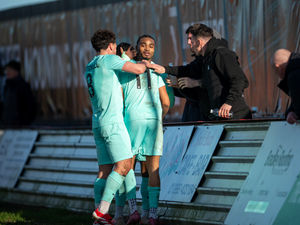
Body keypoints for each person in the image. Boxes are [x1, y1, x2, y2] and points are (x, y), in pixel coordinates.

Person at [85, 29, 147, 225]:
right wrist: (143, 64)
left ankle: (98, 220)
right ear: (111, 46)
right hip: (113, 122)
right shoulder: (109, 60)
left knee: (104, 171)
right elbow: (138, 70)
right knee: (124, 165)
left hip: (97, 122)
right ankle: (102, 211)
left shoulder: (89, 65)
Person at [117, 34, 170, 225]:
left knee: (127, 167)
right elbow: (166, 102)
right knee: (152, 168)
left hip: (131, 120)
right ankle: (152, 215)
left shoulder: (126, 69)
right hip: (153, 122)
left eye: (151, 46)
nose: (147, 48)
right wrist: (158, 118)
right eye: (144, 45)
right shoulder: (157, 71)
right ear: (138, 47)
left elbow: (120, 99)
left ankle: (133, 210)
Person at [148, 24, 252, 119]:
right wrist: (166, 70)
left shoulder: (221, 54)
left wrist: (228, 103)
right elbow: (192, 77)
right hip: (216, 118)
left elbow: (240, 80)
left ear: (199, 42)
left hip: (235, 116)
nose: (188, 43)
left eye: (190, 39)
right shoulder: (204, 59)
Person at [1, 60, 36, 126]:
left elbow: (30, 107)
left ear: (16, 72)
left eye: (9, 70)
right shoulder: (7, 87)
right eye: (6, 70)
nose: (7, 72)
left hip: (20, 126)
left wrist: (23, 122)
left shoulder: (23, 87)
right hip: (7, 126)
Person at [272, 49, 300, 124]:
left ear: (278, 67)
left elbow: (298, 106)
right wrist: (290, 111)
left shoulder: (293, 75)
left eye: (275, 71)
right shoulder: (296, 67)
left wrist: (291, 113)